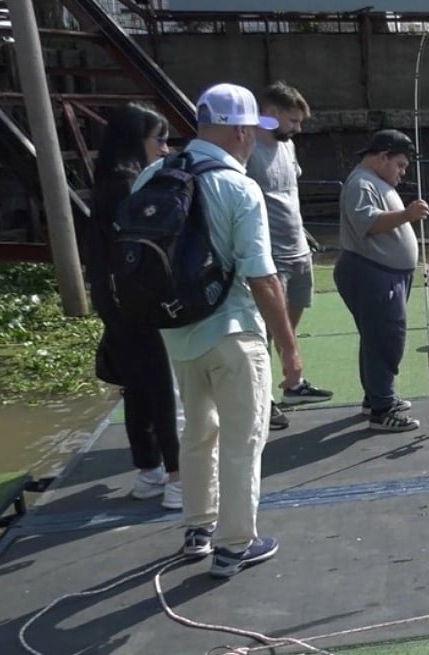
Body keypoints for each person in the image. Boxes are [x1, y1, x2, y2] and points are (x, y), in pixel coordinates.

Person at [134, 82, 304, 577]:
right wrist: (290, 352)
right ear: (240, 131)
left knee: (197, 431)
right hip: (233, 331)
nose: (254, 138)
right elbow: (263, 279)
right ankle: (234, 546)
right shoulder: (239, 187)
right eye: (252, 130)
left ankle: (198, 528)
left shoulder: (152, 174)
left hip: (177, 331)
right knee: (241, 441)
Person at [85, 103, 184, 509]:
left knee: (138, 388)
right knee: (164, 389)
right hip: (143, 300)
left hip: (113, 301)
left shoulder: (105, 184)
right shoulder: (134, 186)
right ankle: (179, 479)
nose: (165, 149)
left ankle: (150, 472)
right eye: (159, 140)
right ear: (135, 141)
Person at [245, 81, 332, 430]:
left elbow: (288, 192)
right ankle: (261, 400)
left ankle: (292, 385)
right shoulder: (248, 147)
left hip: (298, 249)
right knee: (265, 331)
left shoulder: (288, 145)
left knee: (288, 327)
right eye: (293, 121)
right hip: (270, 255)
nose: (298, 128)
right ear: (271, 113)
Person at [335, 129, 429, 432]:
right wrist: (407, 215)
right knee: (385, 339)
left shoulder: (375, 181)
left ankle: (376, 396)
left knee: (376, 338)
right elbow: (368, 222)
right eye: (400, 165)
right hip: (371, 272)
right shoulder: (361, 183)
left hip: (386, 272)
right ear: (383, 157)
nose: (403, 172)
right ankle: (382, 410)